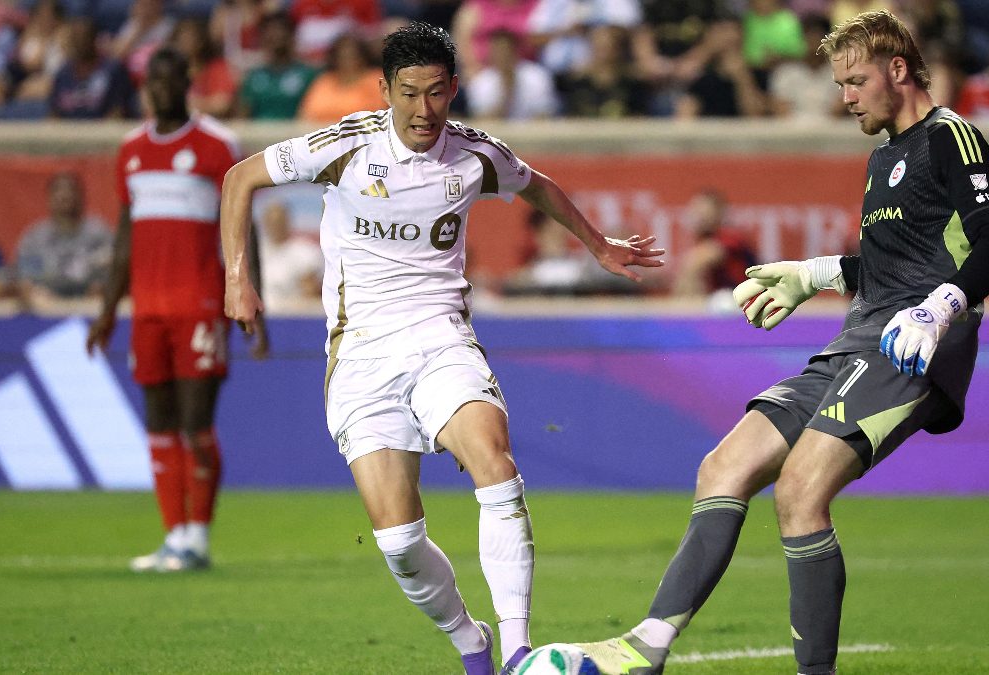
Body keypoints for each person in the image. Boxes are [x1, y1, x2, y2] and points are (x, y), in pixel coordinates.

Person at [580, 10, 989, 675]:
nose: (844, 98)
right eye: (840, 84)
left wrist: (940, 309)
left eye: (854, 81)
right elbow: (886, 267)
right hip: (860, 337)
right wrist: (812, 273)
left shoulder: (951, 137)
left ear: (897, 70)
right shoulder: (884, 158)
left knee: (799, 492)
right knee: (723, 465)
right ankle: (648, 646)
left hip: (914, 345)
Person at [218, 21, 663, 675]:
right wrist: (238, 278)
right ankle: (470, 641)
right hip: (362, 352)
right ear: (384, 90)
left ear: (453, 88)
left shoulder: (475, 154)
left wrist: (598, 245)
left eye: (435, 93)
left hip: (441, 338)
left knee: (494, 461)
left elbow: (536, 184)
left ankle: (517, 649)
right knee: (400, 541)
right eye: (408, 93)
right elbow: (239, 179)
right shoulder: (345, 147)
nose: (423, 109)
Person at [86, 47, 269, 574]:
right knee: (159, 424)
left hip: (200, 304)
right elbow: (125, 237)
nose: (161, 89)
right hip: (148, 309)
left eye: (170, 80)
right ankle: (172, 535)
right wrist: (107, 310)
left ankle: (198, 538)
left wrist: (251, 295)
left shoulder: (215, 145)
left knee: (196, 424)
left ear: (187, 82)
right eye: (154, 81)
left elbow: (242, 224)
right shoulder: (131, 150)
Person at [16, 171, 113, 301]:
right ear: (48, 199)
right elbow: (22, 277)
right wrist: (32, 291)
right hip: (45, 305)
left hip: (91, 302)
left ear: (81, 197)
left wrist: (104, 288)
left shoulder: (99, 233)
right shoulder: (35, 237)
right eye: (58, 192)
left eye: (70, 191)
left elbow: (117, 271)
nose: (64, 196)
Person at [671, 188, 757, 297]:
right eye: (695, 211)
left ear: (719, 213)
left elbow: (694, 265)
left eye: (703, 212)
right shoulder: (703, 241)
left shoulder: (731, 237)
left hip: (742, 305)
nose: (698, 217)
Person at [238, 12, 319, 120]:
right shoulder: (253, 76)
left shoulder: (308, 75)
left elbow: (312, 115)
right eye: (269, 31)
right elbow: (242, 117)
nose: (274, 35)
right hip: (258, 134)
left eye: (278, 30)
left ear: (291, 35)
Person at [297, 33, 385, 123]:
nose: (347, 60)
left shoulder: (375, 79)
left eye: (352, 56)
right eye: (342, 56)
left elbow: (380, 115)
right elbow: (305, 114)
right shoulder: (325, 80)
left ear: (363, 56)